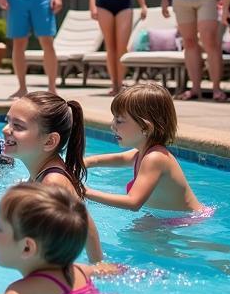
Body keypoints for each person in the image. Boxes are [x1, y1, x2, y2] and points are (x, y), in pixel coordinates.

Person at [2, 92, 103, 262]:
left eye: (18, 126)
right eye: (8, 121)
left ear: (49, 141)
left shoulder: (53, 182)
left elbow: (86, 225)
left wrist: (98, 265)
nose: (6, 129)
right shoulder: (40, 173)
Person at [85, 83, 209, 220]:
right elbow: (112, 159)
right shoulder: (141, 153)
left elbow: (133, 203)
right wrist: (83, 163)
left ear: (146, 128)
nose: (112, 126)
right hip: (165, 219)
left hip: (189, 221)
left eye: (119, 121)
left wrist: (85, 192)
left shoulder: (155, 158)